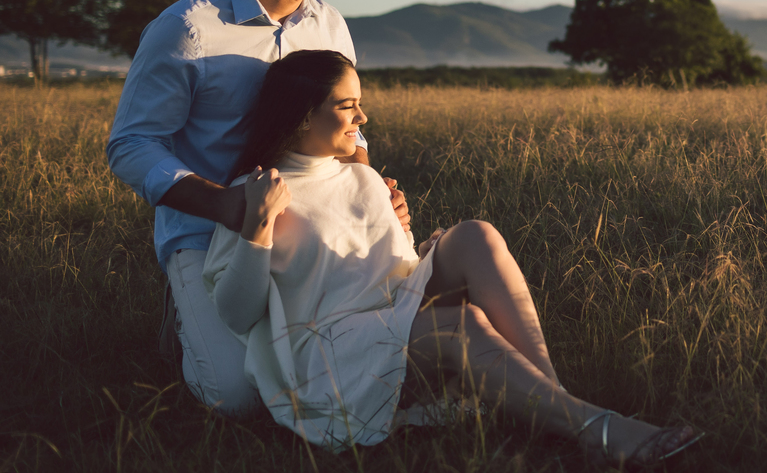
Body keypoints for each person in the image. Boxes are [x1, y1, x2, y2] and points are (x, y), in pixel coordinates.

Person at [202, 50, 702, 466]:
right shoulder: (256, 193)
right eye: (348, 105)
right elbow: (237, 315)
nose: (363, 118)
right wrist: (257, 228)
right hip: (330, 355)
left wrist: (422, 253)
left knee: (474, 235)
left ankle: (553, 402)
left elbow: (391, 272)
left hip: (388, 320)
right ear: (303, 115)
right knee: (459, 326)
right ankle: (598, 429)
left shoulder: (361, 178)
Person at [106, 0, 409, 417]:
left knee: (376, 355)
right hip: (208, 236)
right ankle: (184, 314)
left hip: (315, 234)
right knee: (237, 397)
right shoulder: (186, 30)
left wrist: (372, 190)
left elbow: (345, 128)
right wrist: (223, 203)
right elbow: (132, 146)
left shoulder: (330, 26)